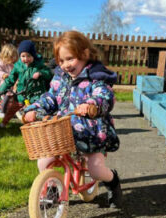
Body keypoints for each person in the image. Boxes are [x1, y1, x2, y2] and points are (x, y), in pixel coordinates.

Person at [21, 31, 123, 208]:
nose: (65, 65)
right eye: (61, 61)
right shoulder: (60, 78)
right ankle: (51, 190)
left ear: (84, 54)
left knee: (96, 170)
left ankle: (113, 181)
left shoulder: (96, 77)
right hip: (63, 130)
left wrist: (92, 104)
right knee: (44, 161)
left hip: (91, 132)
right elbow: (51, 98)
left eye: (70, 59)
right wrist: (34, 109)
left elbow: (104, 95)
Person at [0, 40, 51, 128]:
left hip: (35, 95)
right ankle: (3, 123)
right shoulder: (18, 66)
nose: (26, 59)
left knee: (35, 112)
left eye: (29, 56)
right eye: (23, 56)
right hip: (22, 94)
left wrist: (40, 73)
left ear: (33, 55)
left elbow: (49, 74)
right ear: (19, 56)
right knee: (12, 109)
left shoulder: (39, 65)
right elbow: (10, 79)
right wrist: (1, 89)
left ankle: (38, 128)